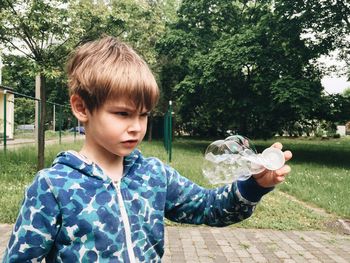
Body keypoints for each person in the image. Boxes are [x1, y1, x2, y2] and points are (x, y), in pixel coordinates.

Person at [3, 36, 292, 263]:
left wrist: (254, 186)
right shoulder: (53, 186)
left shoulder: (153, 174)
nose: (136, 127)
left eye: (143, 115)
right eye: (122, 114)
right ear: (81, 107)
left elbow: (209, 208)